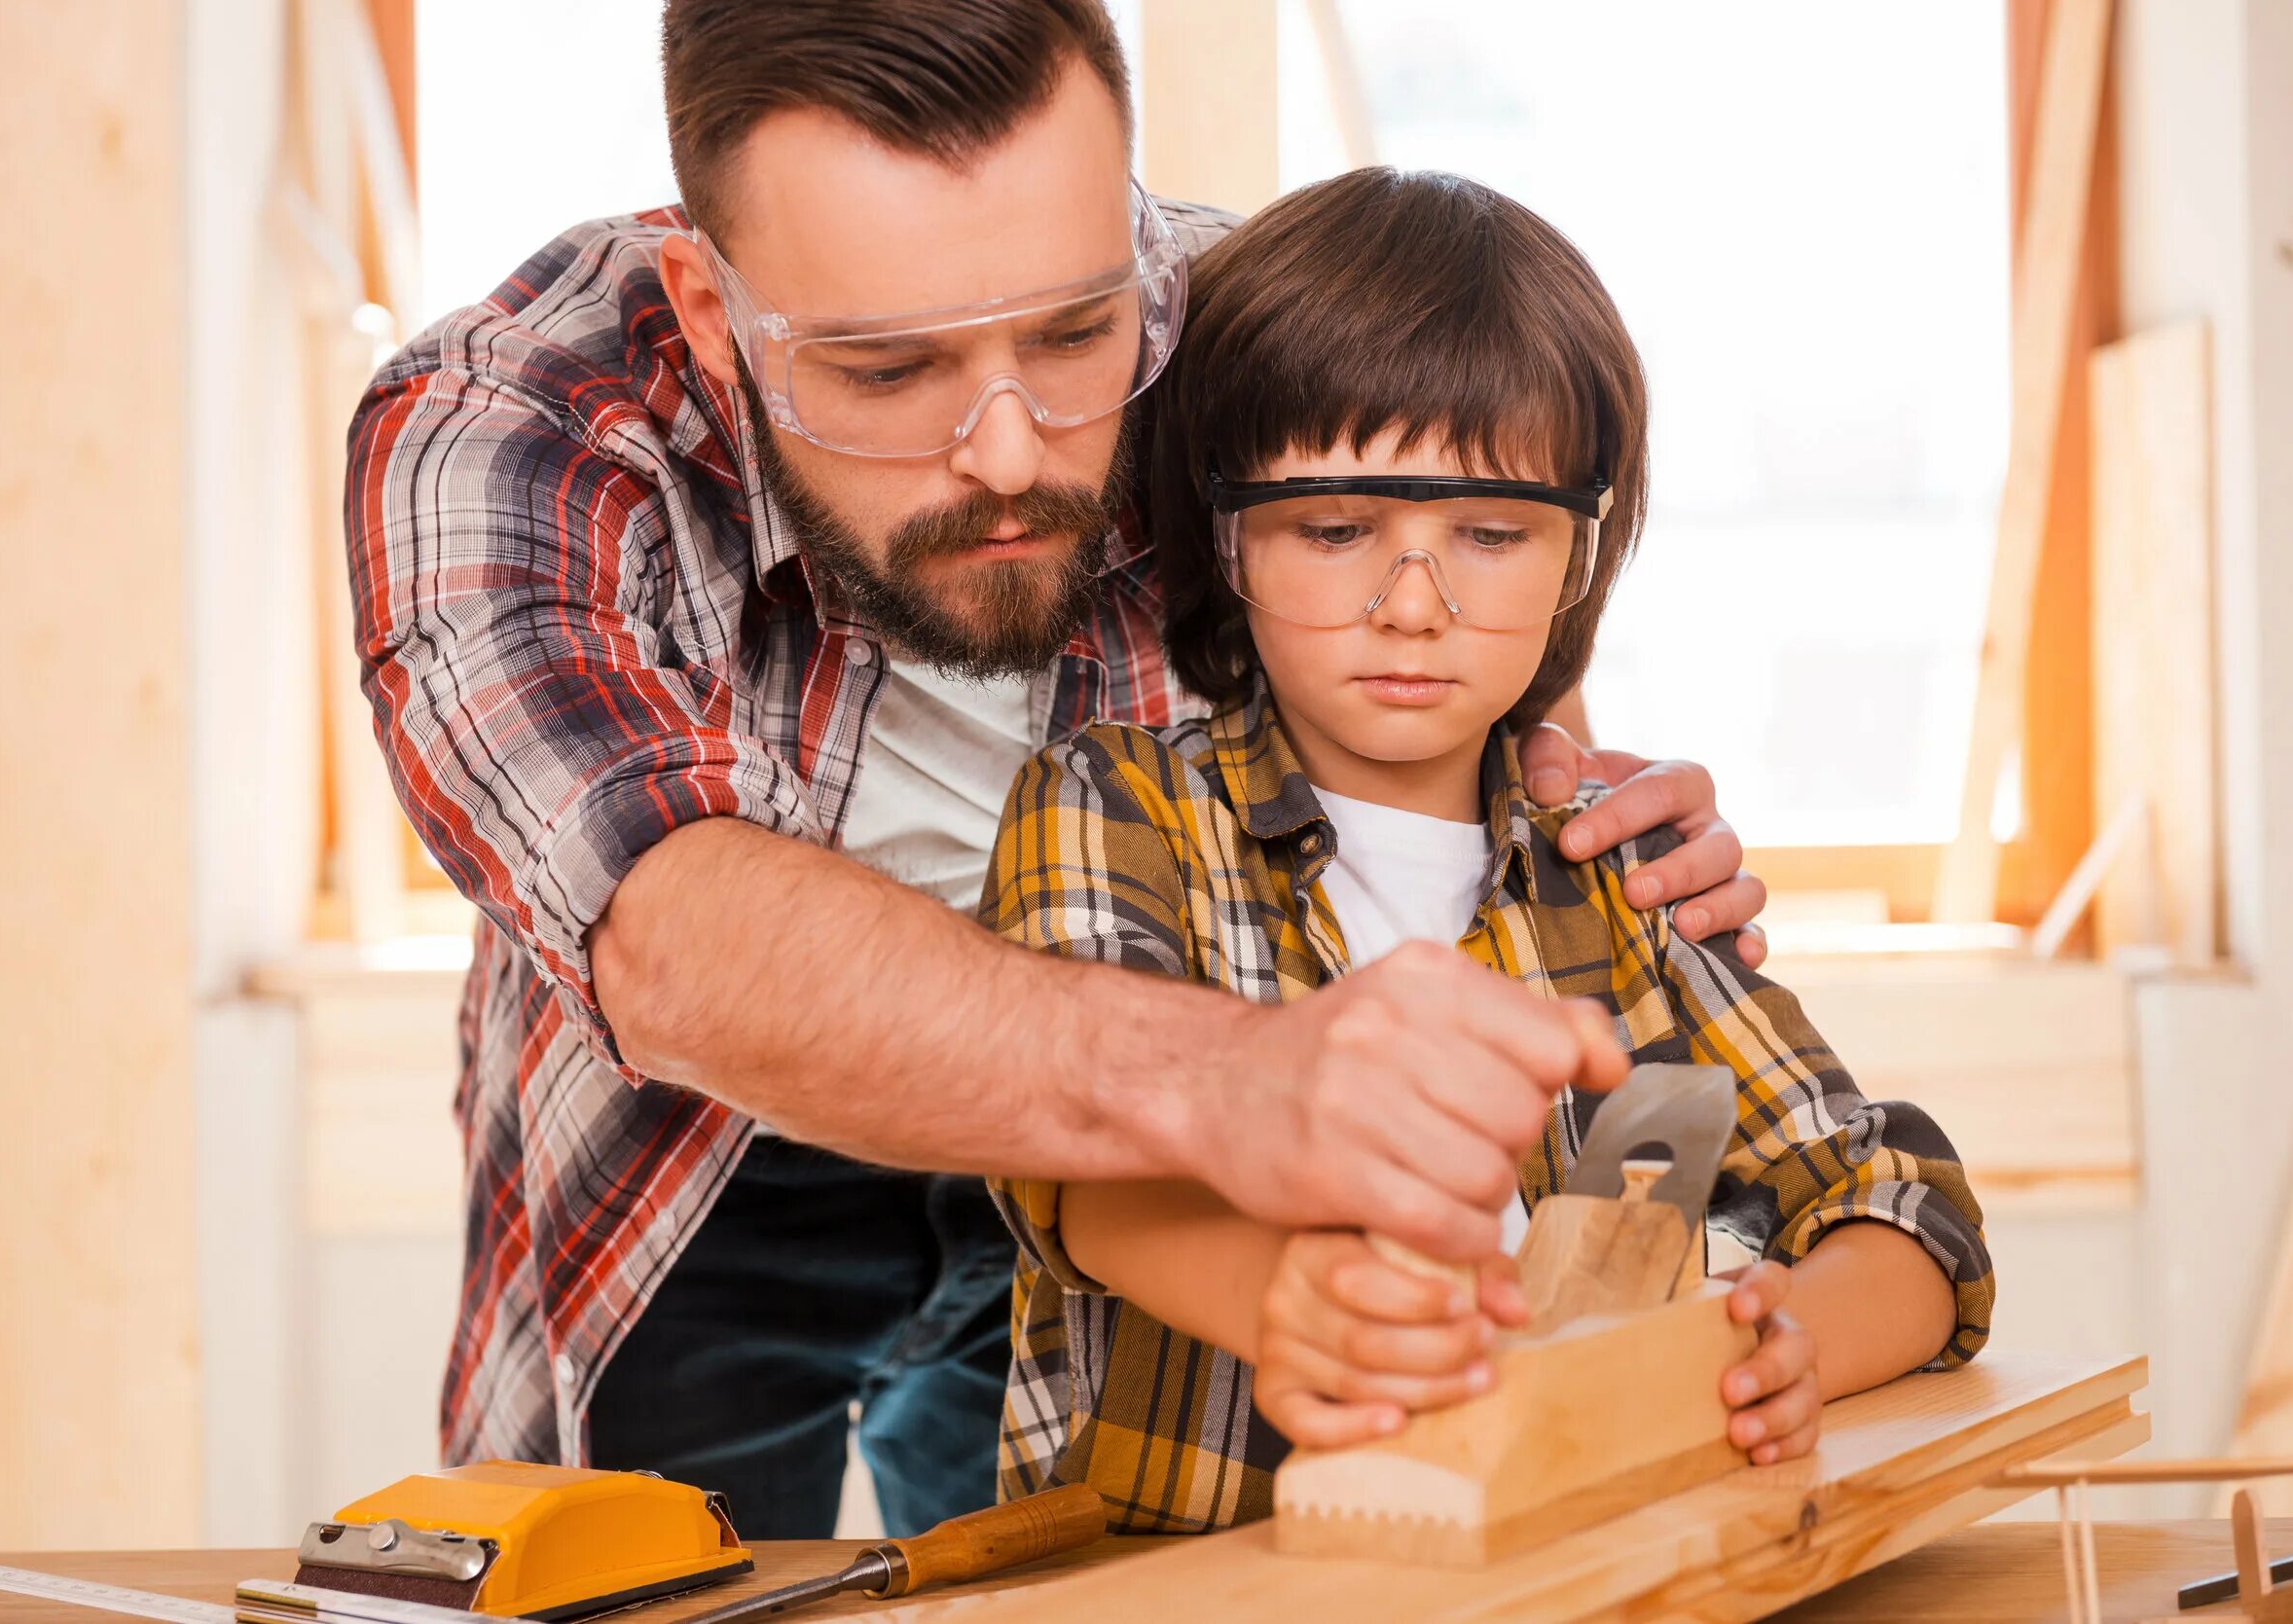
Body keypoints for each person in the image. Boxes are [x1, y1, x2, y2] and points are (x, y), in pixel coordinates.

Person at [345, 0, 1771, 1536]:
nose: (1013, 449)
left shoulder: (1250, 333)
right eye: (889, 370)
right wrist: (1238, 1080)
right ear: (708, 308)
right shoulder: (496, 427)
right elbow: (673, 938)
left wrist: (1580, 819)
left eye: (1077, 333)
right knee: (637, 1578)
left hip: (1156, 1175)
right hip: (701, 1162)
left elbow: (1451, 651)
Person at [982, 167, 1995, 1533]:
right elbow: (1085, 1163)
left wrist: (1784, 1344)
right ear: (1225, 535)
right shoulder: (1110, 807)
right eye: (1338, 530)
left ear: (1581, 552)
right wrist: (1294, 1301)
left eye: (1492, 533)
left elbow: (1901, 1199)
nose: (1414, 605)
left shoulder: (1609, 876)